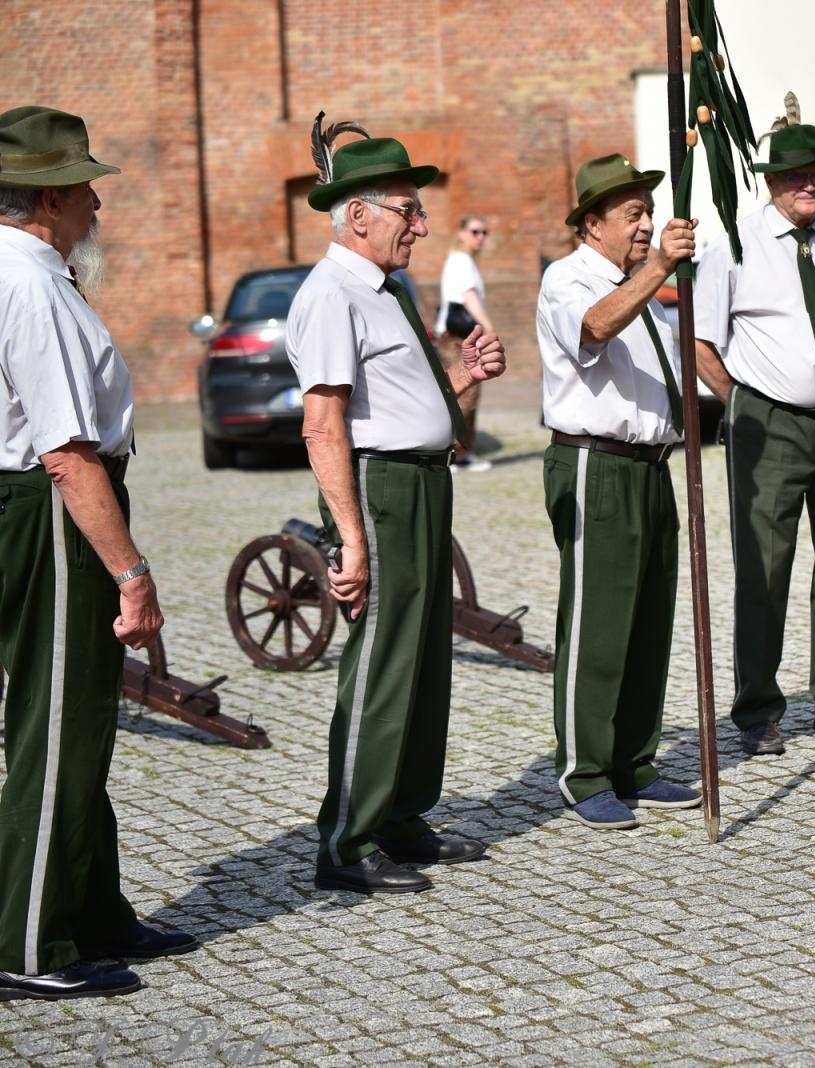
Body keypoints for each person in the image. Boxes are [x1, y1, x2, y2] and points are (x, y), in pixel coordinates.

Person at [0, 105, 197, 1001]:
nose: (95, 201)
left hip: (46, 508)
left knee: (78, 719)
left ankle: (91, 907)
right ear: (45, 197)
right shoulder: (32, 283)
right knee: (55, 723)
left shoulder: (37, 269)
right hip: (52, 513)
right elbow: (69, 455)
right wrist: (132, 571)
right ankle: (31, 939)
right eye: (83, 185)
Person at [288, 120, 506, 893]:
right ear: (358, 215)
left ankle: (402, 814)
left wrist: (469, 376)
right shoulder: (330, 296)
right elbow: (324, 423)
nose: (420, 225)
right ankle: (346, 841)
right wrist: (348, 537)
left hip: (422, 481)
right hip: (379, 489)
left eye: (417, 212)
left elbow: (416, 404)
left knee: (422, 660)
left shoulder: (385, 289)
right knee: (382, 662)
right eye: (407, 211)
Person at [693, 123, 815, 757]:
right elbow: (700, 342)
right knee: (764, 565)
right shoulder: (735, 243)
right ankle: (757, 709)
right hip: (768, 424)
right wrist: (745, 405)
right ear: (770, 181)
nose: (809, 184)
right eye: (794, 176)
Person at [536, 154, 702, 829]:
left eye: (647, 213)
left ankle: (635, 759)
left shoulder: (638, 285)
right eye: (632, 215)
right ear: (590, 223)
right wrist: (660, 267)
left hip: (649, 466)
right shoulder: (568, 280)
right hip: (594, 463)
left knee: (647, 621)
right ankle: (584, 770)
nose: (646, 226)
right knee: (599, 623)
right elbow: (595, 328)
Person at [435, 214, 495, 472]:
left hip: (458, 336)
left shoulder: (461, 260)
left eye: (484, 232)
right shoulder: (461, 259)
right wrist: (489, 329)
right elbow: (468, 296)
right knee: (464, 394)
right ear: (461, 233)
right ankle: (452, 453)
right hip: (459, 338)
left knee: (466, 393)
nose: (479, 237)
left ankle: (462, 453)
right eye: (474, 231)